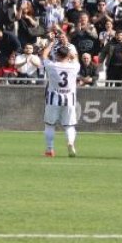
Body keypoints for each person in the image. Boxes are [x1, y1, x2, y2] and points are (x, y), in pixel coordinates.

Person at [41, 27, 81, 157]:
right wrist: (68, 49)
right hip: (69, 99)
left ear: (57, 55)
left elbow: (44, 55)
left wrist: (51, 43)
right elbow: (75, 57)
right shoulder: (75, 66)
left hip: (53, 98)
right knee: (69, 125)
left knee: (49, 125)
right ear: (68, 55)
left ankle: (49, 149)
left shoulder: (52, 66)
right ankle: (70, 143)